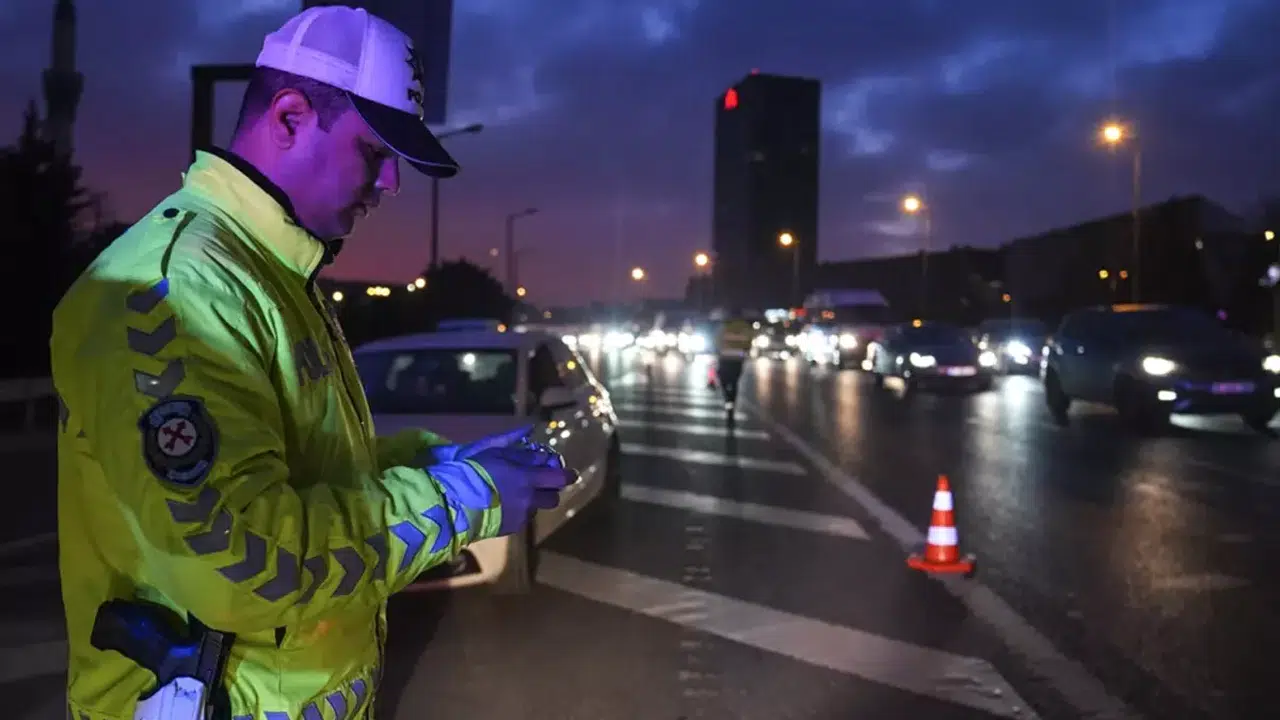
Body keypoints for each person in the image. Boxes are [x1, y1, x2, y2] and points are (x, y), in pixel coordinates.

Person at [49, 6, 572, 719]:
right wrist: (464, 499)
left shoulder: (270, 274)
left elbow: (307, 465)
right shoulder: (175, 290)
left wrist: (439, 461)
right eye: (374, 153)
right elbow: (241, 561)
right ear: (290, 118)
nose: (390, 184)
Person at [714, 309, 754, 412]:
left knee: (724, 380)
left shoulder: (725, 326)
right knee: (734, 382)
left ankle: (728, 400)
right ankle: (731, 404)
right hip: (738, 359)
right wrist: (743, 353)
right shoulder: (746, 327)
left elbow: (717, 341)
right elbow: (749, 343)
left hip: (725, 358)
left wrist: (718, 352)